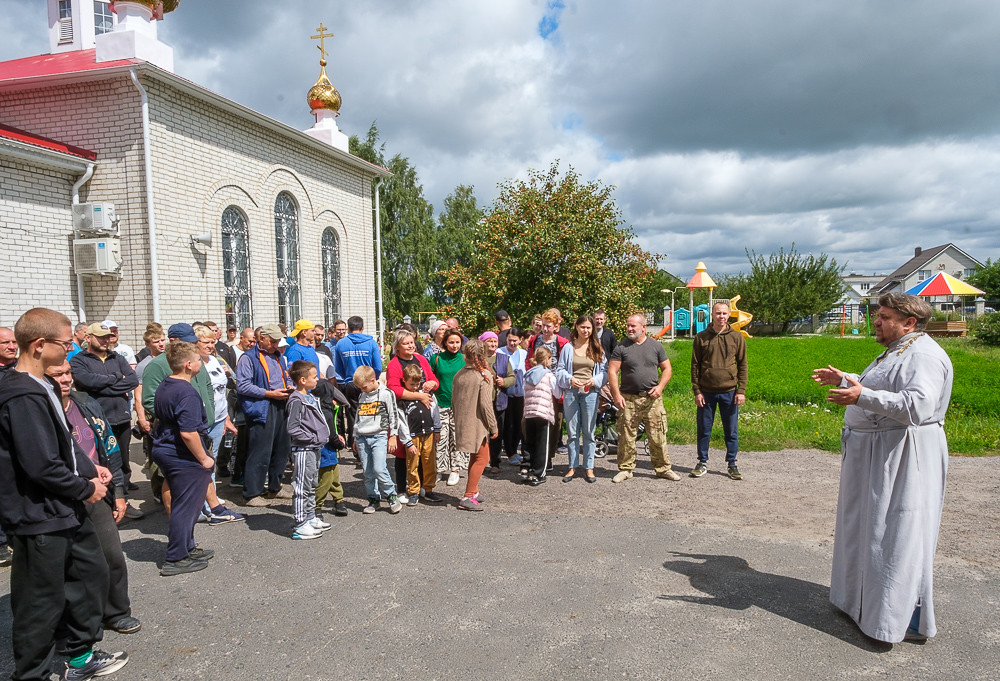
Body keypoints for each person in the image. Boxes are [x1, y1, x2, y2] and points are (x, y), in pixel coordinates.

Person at [812, 293, 952, 644]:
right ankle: (860, 604)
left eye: (884, 316)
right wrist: (847, 380)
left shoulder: (924, 355)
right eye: (878, 314)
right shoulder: (901, 348)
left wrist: (860, 397)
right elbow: (883, 385)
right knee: (867, 528)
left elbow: (918, 404)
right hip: (876, 454)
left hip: (901, 457)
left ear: (909, 322)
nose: (876, 321)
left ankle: (892, 619)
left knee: (893, 534)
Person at [0, 307, 129, 681]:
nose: (71, 347)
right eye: (66, 342)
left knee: (89, 575)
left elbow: (64, 445)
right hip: (40, 513)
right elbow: (40, 464)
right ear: (40, 345)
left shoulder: (44, 386)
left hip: (67, 506)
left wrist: (92, 469)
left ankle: (80, 656)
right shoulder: (21, 394)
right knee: (40, 600)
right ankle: (32, 674)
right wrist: (86, 487)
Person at [47, 360, 141, 635]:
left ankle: (116, 612)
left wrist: (119, 494)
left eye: (67, 374)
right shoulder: (39, 410)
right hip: (59, 498)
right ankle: (67, 626)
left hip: (97, 495)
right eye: (56, 375)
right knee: (64, 565)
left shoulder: (85, 403)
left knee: (111, 556)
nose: (64, 380)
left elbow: (109, 447)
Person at [152, 341, 216, 576]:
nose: (201, 363)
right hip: (181, 454)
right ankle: (176, 557)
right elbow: (188, 432)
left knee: (185, 503)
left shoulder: (166, 384)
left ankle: (187, 547)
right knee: (186, 507)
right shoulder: (186, 392)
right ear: (189, 365)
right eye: (198, 359)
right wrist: (204, 459)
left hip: (166, 448)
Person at [607, 313, 681, 483]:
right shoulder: (621, 347)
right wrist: (616, 395)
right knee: (626, 436)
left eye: (633, 326)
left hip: (652, 399)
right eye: (628, 325)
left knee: (657, 435)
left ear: (643, 327)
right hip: (628, 399)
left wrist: (660, 387)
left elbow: (667, 369)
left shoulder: (655, 346)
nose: (629, 329)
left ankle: (663, 469)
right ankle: (625, 469)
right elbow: (612, 371)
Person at [70, 322, 140, 493]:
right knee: (102, 459)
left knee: (123, 458)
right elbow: (88, 381)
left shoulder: (117, 358)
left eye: (107, 337)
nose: (105, 341)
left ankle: (122, 495)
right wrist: (116, 377)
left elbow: (132, 380)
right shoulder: (79, 360)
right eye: (101, 337)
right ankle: (107, 497)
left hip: (122, 417)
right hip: (97, 419)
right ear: (88, 338)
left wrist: (103, 387)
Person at [235, 323, 294, 506]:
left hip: (281, 404)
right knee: (260, 451)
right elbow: (242, 386)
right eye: (273, 341)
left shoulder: (278, 356)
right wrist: (269, 393)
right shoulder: (248, 358)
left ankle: (274, 488)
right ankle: (251, 493)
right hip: (262, 407)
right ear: (262, 338)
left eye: (278, 341)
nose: (276, 345)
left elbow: (286, 375)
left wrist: (290, 385)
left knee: (281, 449)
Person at [691, 301, 748, 480]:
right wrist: (697, 391)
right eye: (718, 313)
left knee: (731, 430)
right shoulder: (701, 337)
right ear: (712, 315)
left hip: (730, 392)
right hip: (706, 393)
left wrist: (741, 391)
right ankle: (702, 462)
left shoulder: (737, 338)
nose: (721, 316)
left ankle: (732, 464)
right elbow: (695, 366)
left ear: (729, 315)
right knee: (704, 429)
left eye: (724, 313)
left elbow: (743, 365)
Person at [555, 314, 608, 483]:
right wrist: (570, 379)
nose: (585, 330)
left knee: (589, 432)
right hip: (571, 392)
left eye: (588, 328)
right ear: (576, 327)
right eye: (582, 327)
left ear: (592, 330)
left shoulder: (597, 348)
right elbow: (560, 369)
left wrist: (595, 381)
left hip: (590, 393)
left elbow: (604, 372)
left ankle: (589, 467)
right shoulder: (568, 348)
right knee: (572, 432)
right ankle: (572, 467)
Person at [451, 339, 499, 511]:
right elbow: (486, 405)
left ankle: (475, 491)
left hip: (463, 421)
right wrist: (493, 426)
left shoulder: (459, 374)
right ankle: (468, 495)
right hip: (478, 424)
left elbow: (453, 401)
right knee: (482, 458)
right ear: (482, 354)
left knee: (474, 456)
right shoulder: (484, 375)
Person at [285, 360, 331, 540]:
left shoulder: (310, 397)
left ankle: (310, 517)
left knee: (311, 484)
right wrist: (312, 438)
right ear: (303, 380)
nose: (317, 379)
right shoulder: (297, 400)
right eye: (314, 377)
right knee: (302, 486)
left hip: (314, 448)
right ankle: (300, 522)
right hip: (304, 449)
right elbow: (293, 427)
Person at [352, 365, 402, 514]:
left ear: (373, 380)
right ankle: (373, 499)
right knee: (367, 472)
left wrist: (393, 435)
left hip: (378, 435)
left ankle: (391, 495)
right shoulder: (362, 396)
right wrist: (355, 436)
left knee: (379, 468)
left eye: (364, 387)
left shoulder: (386, 394)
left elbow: (394, 415)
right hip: (362, 437)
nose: (362, 390)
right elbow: (358, 417)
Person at [395, 363, 443, 505]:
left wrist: (437, 429)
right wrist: (407, 441)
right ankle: (414, 490)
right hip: (413, 436)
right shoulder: (402, 400)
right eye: (412, 384)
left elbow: (435, 412)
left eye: (418, 384)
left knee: (429, 462)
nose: (416, 388)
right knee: (413, 464)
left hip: (428, 433)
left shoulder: (428, 395)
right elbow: (401, 422)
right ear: (404, 381)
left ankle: (428, 489)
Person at [528, 312, 570, 462]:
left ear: (556, 327)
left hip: (554, 386)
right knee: (535, 419)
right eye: (543, 325)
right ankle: (535, 455)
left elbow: (566, 364)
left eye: (548, 326)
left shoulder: (563, 342)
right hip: (537, 386)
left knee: (555, 422)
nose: (544, 329)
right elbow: (529, 361)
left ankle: (549, 456)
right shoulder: (535, 340)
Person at [431, 328, 467, 485]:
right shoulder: (436, 358)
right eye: (451, 342)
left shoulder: (465, 359)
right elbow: (430, 378)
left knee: (457, 438)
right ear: (445, 342)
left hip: (460, 405)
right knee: (440, 438)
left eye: (457, 342)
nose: (454, 345)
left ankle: (455, 469)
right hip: (440, 404)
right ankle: (438, 469)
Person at [312, 376, 349, 519]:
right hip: (326, 448)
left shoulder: (320, 407)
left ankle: (339, 500)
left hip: (328, 449)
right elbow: (330, 433)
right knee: (325, 478)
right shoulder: (326, 411)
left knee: (334, 476)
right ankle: (317, 505)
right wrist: (339, 443)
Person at [522, 346, 559, 485]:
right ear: (546, 359)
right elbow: (556, 392)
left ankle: (529, 468)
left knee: (530, 442)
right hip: (543, 413)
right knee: (542, 444)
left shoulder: (528, 374)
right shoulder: (548, 375)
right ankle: (540, 473)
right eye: (550, 359)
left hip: (529, 412)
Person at [496, 327, 527, 465]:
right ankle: (509, 452)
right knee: (506, 424)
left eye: (515, 340)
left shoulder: (524, 353)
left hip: (520, 393)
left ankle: (514, 450)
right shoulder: (500, 352)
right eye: (510, 340)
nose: (512, 343)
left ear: (520, 340)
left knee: (518, 423)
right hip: (504, 393)